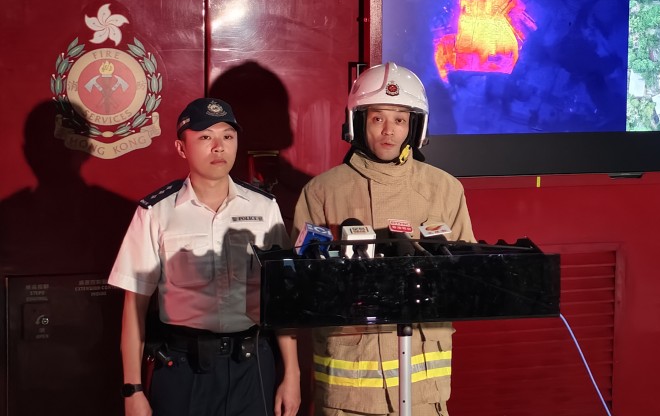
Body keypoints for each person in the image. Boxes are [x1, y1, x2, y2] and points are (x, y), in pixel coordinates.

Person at [293, 62, 475, 416]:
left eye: (400, 119)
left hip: (424, 389)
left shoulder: (445, 190)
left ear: (415, 127)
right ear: (357, 122)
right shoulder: (322, 192)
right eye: (377, 118)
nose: (389, 131)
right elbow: (301, 289)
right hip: (349, 394)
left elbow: (465, 281)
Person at [108, 97, 301, 416]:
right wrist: (133, 389)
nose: (218, 147)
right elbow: (135, 305)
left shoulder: (263, 208)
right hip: (184, 368)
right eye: (204, 137)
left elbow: (280, 298)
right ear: (181, 148)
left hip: (251, 367)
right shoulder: (157, 212)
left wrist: (291, 375)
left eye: (227, 136)